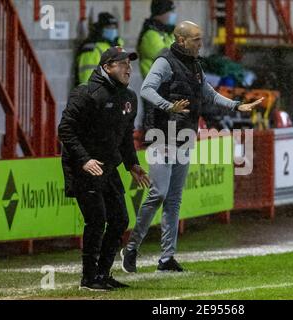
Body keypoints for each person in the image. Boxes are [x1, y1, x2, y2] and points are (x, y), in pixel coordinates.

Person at [121, 21, 264, 273]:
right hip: (161, 135)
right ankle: (131, 248)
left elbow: (208, 93)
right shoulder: (164, 62)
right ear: (180, 40)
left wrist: (236, 105)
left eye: (200, 38)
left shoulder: (196, 64)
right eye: (196, 39)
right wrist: (168, 106)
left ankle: (166, 258)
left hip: (185, 134)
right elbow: (146, 89)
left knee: (174, 199)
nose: (201, 43)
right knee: (159, 193)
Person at [59, 47, 150, 291]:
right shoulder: (86, 94)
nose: (128, 68)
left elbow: (125, 137)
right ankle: (89, 278)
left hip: (108, 167)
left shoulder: (129, 97)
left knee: (120, 219)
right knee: (97, 220)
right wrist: (84, 160)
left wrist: (132, 164)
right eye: (122, 64)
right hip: (84, 168)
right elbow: (65, 130)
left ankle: (102, 273)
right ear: (108, 67)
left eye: (129, 64)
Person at [136, 0, 177, 145]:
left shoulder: (165, 33)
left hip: (166, 89)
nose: (173, 15)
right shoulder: (150, 35)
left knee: (167, 128)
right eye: (170, 12)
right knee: (153, 129)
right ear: (161, 14)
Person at [76, 13, 125, 85]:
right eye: (109, 27)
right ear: (101, 29)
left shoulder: (117, 47)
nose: (112, 30)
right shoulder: (92, 49)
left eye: (114, 27)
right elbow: (87, 78)